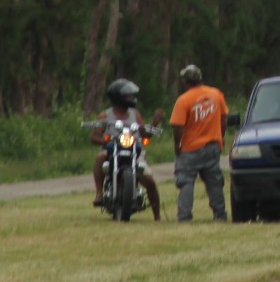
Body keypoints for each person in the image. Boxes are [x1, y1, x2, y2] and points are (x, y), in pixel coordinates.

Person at [168, 64, 230, 222]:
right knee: (214, 182)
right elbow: (224, 118)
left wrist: (178, 145)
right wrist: (221, 137)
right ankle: (220, 215)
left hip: (190, 149)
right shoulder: (216, 94)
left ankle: (184, 216)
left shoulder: (183, 100)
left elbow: (178, 126)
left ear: (186, 82)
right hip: (213, 146)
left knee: (186, 181)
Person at [91, 78, 160, 216]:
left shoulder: (135, 114)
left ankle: (157, 215)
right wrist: (107, 140)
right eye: (128, 96)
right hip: (112, 150)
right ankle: (99, 194)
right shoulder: (105, 115)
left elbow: (144, 134)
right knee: (100, 157)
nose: (131, 98)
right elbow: (94, 137)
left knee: (150, 181)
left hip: (134, 151)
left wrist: (154, 123)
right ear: (118, 97)